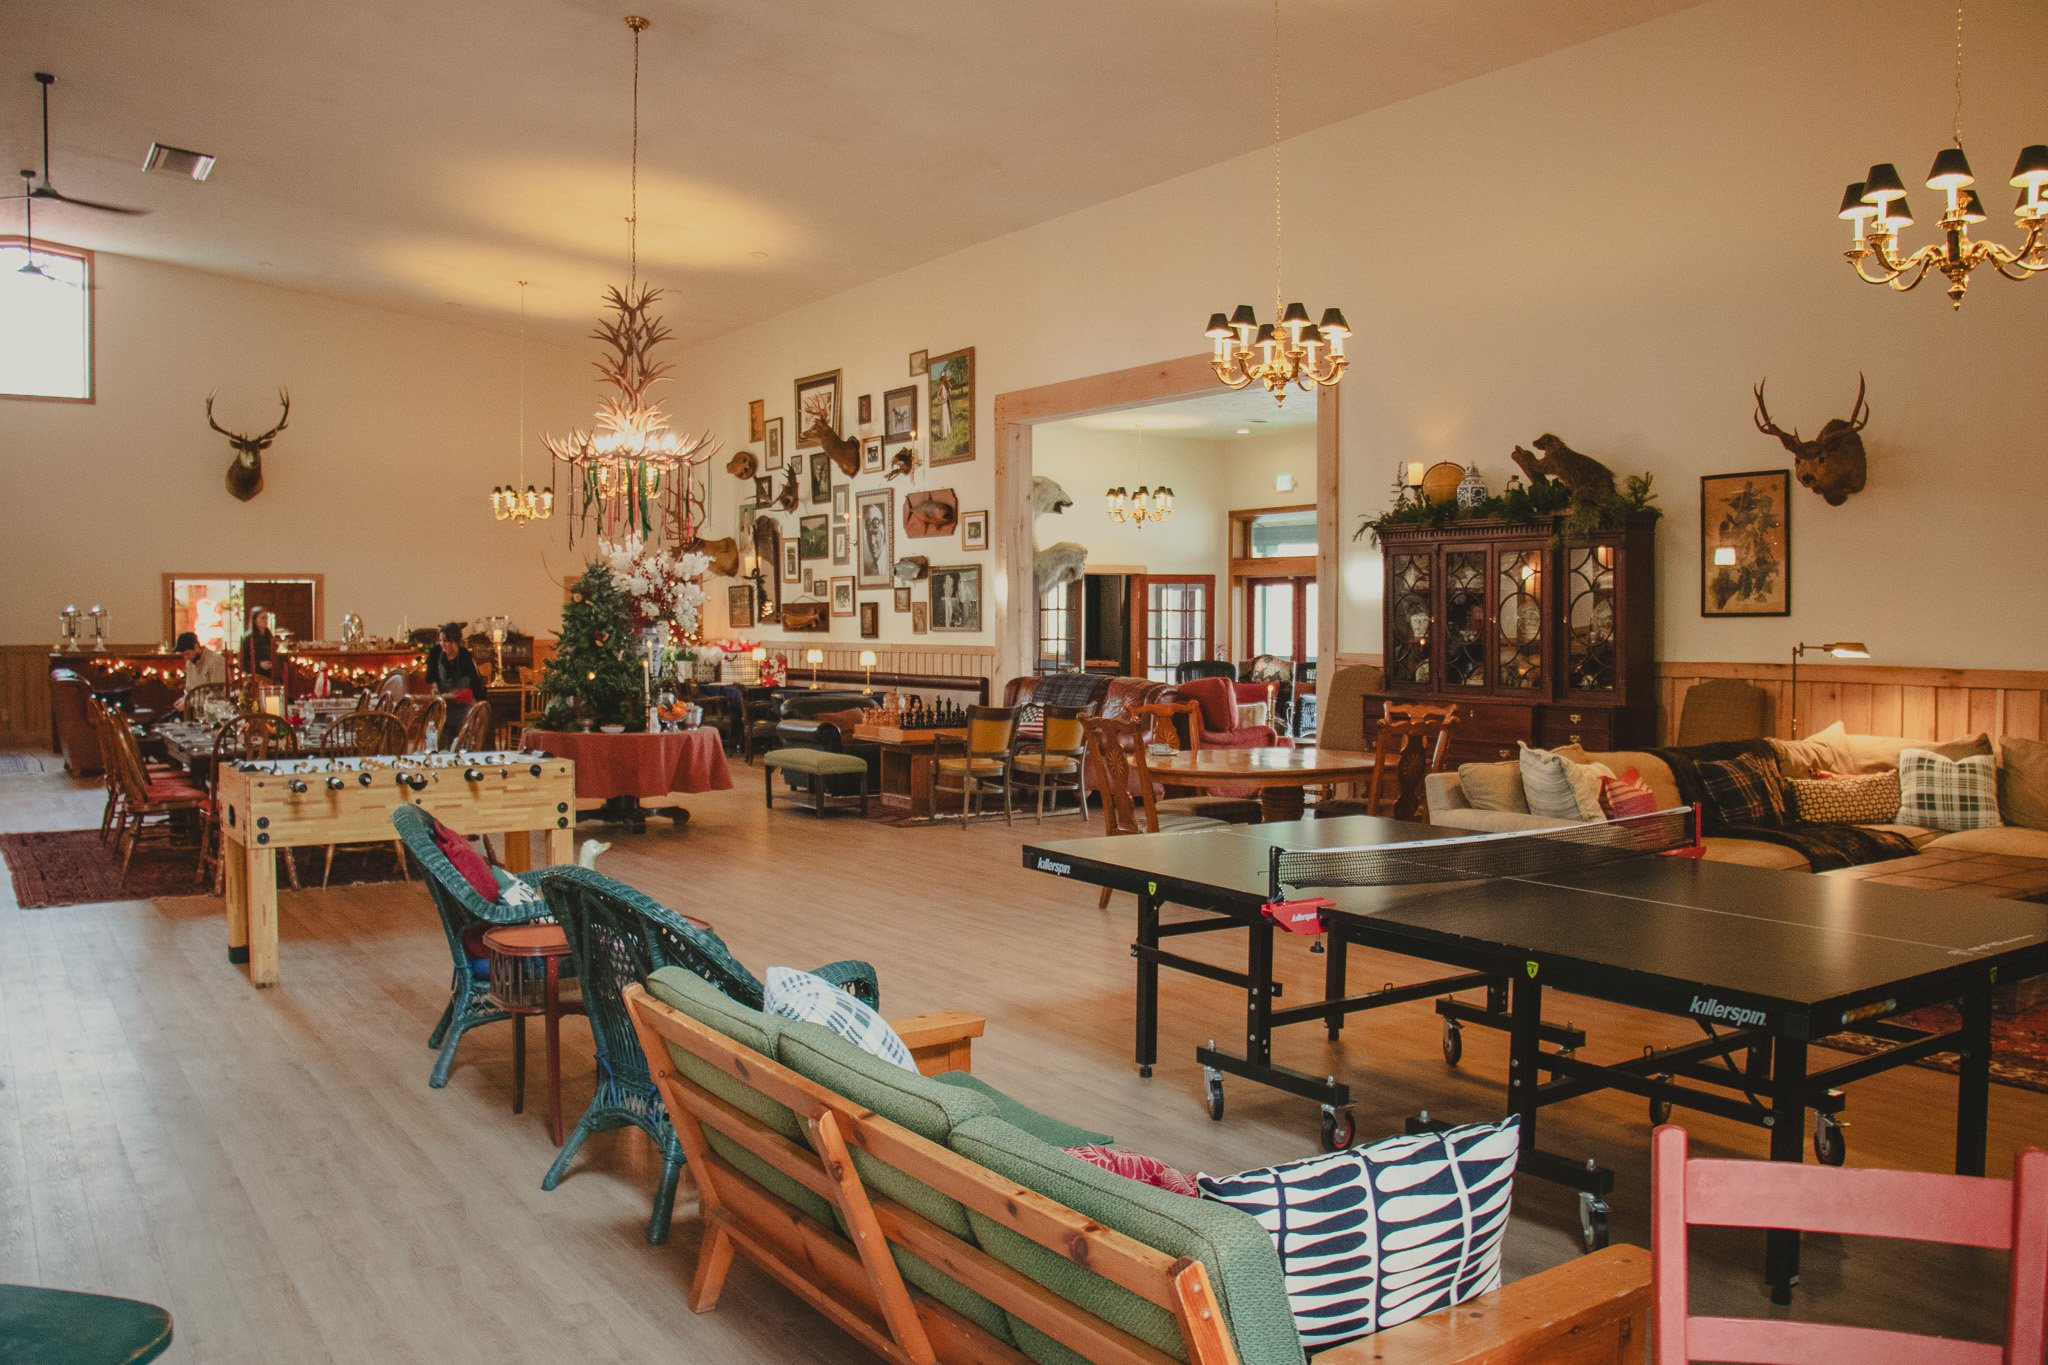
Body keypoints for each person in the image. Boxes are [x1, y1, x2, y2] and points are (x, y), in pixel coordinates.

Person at [425, 622, 487, 748]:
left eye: (446, 641)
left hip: (463, 710)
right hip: (443, 710)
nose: (442, 644)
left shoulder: (465, 658)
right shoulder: (437, 655)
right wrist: (436, 689)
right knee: (440, 744)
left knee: (459, 745)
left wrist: (452, 695)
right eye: (441, 640)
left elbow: (474, 691)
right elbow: (433, 682)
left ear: (455, 641)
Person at [174, 631, 226, 716]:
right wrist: (183, 699)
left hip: (212, 714)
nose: (186, 658)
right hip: (194, 712)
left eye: (187, 653)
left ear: (196, 647)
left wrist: (188, 702)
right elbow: (189, 689)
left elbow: (219, 694)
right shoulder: (190, 663)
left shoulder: (216, 661)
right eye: (183, 655)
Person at [241, 609, 278, 680]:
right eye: (262, 618)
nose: (266, 620)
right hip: (257, 676)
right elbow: (244, 662)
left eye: (266, 618)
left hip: (271, 674)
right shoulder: (249, 638)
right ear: (255, 621)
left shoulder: (269, 636)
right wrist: (259, 664)